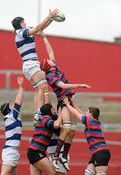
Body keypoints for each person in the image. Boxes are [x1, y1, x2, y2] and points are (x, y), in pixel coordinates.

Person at [40, 31, 91, 171]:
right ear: (48, 66)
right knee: (67, 127)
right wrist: (80, 85)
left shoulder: (54, 67)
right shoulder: (50, 76)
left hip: (70, 99)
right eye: (49, 61)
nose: (51, 60)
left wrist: (43, 36)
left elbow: (51, 51)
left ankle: (63, 156)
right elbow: (62, 86)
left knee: (73, 131)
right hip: (63, 101)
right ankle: (56, 156)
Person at [11, 9, 59, 122]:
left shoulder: (26, 29)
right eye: (23, 22)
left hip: (31, 63)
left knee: (39, 89)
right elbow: (37, 28)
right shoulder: (19, 32)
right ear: (19, 25)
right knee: (42, 86)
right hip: (30, 63)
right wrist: (48, 16)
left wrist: (51, 19)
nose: (25, 23)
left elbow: (41, 28)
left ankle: (37, 114)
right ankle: (39, 113)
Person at [62, 96, 111, 175]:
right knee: (88, 172)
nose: (85, 113)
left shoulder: (90, 120)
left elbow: (76, 113)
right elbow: (79, 112)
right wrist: (72, 102)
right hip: (96, 153)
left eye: (87, 112)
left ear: (90, 114)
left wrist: (67, 104)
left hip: (100, 152)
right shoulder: (93, 121)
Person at [27, 103, 62, 175]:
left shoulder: (44, 119)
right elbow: (57, 124)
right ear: (48, 110)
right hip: (36, 152)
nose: (54, 110)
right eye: (52, 109)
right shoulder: (45, 118)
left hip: (35, 152)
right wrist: (61, 113)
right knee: (52, 173)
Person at [0, 76, 24, 175]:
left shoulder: (11, 117)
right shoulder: (11, 117)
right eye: (10, 105)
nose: (12, 106)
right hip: (10, 150)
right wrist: (21, 86)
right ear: (8, 109)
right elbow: (18, 102)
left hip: (12, 150)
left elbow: (17, 103)